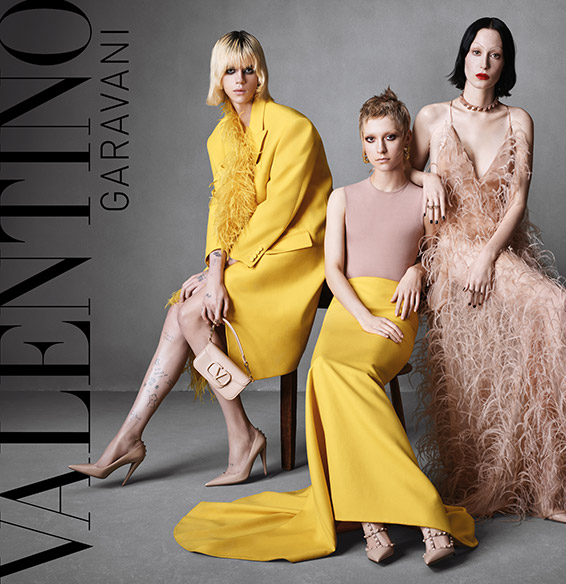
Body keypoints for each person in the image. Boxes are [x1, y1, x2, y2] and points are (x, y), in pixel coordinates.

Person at [173, 89, 478, 565]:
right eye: (371, 139)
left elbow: (437, 255)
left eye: (390, 137)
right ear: (362, 145)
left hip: (395, 308)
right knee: (327, 371)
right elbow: (333, 271)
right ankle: (379, 518)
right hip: (350, 310)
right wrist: (362, 317)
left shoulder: (427, 196)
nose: (380, 147)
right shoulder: (343, 199)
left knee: (346, 376)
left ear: (405, 141)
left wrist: (418, 271)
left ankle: (409, 516)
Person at [409, 17, 566, 523]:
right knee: (542, 317)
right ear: (463, 56)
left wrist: (489, 257)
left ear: (506, 64)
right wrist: (423, 178)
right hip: (450, 250)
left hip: (496, 250)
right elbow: (393, 169)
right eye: (476, 52)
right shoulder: (432, 117)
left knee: (554, 307)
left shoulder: (519, 120)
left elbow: (517, 200)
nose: (483, 63)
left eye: (495, 55)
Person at [69, 31, 331, 487]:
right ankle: (131, 436)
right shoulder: (220, 138)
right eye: (230, 70)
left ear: (261, 74)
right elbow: (221, 209)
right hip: (251, 253)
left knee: (192, 314)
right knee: (182, 311)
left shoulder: (294, 127)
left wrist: (222, 273)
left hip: (294, 253)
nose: (240, 79)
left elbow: (277, 212)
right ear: (218, 77)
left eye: (248, 69)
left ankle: (240, 436)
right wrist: (214, 268)